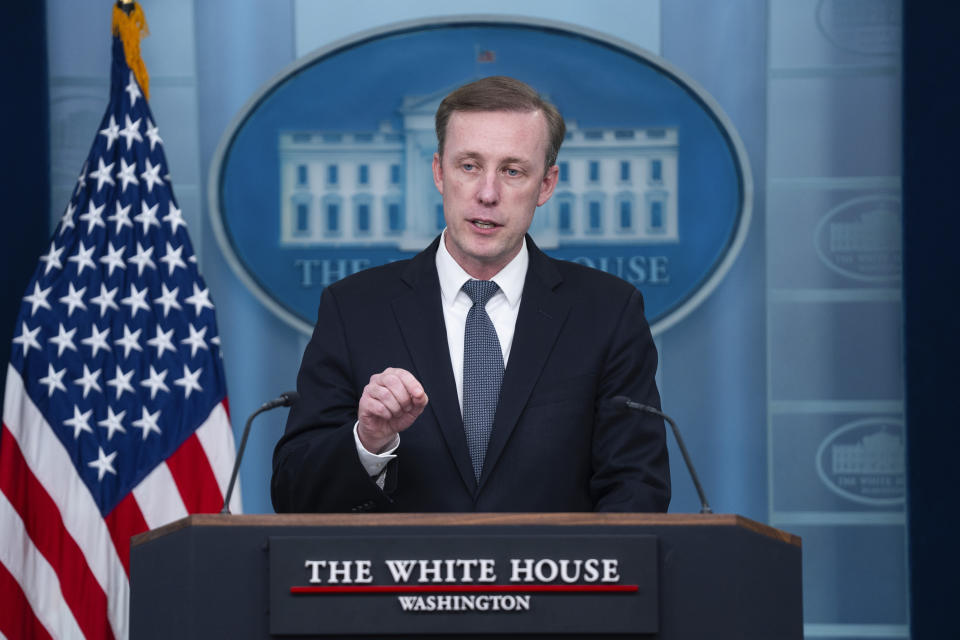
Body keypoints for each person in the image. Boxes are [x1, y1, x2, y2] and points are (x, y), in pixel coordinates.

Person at [271, 76, 670, 513]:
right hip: (400, 579)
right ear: (440, 172)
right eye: (469, 166)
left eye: (512, 171)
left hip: (553, 580)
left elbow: (637, 490)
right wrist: (368, 441)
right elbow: (293, 493)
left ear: (546, 185)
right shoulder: (354, 309)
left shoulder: (608, 313)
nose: (487, 194)